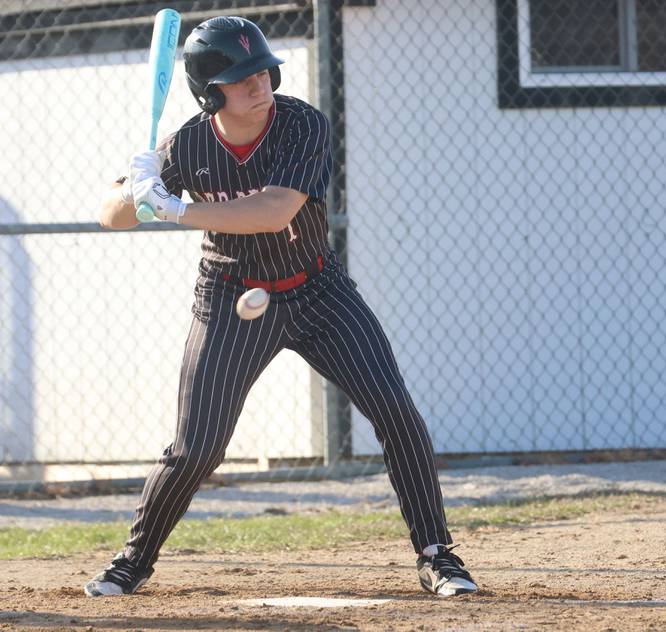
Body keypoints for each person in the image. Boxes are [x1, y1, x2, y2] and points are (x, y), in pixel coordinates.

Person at [85, 16, 477, 599]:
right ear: (209, 91)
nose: (260, 85)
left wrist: (174, 211)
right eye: (242, 79)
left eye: (263, 71)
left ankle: (437, 554)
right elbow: (108, 216)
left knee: (397, 411)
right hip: (227, 293)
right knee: (197, 448)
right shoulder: (187, 145)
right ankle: (133, 560)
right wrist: (134, 193)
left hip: (318, 290)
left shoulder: (301, 123)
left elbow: (273, 210)